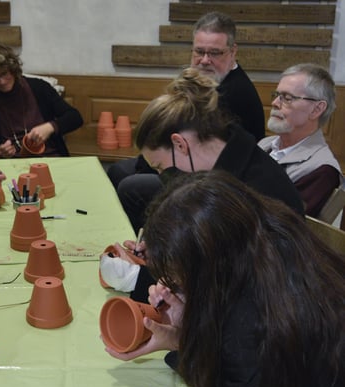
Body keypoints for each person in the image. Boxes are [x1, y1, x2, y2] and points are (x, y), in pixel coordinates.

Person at [104, 170, 345, 387]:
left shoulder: (254, 322)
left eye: (179, 280)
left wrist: (189, 339)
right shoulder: (274, 243)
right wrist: (182, 336)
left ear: (207, 268)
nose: (170, 287)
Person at [99, 67, 303, 303]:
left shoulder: (246, 192)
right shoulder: (230, 152)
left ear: (180, 144)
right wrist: (160, 253)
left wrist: (139, 276)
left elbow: (218, 279)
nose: (164, 175)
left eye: (160, 167)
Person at [107, 11, 265, 191]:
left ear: (233, 51)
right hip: (188, 158)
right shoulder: (210, 81)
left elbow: (194, 148)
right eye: (199, 51)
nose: (205, 60)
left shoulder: (234, 93)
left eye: (214, 53)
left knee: (130, 183)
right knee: (119, 171)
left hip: (220, 182)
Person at [259, 63, 343, 217]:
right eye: (277, 95)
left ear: (316, 109)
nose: (275, 103)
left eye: (287, 98)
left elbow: (283, 226)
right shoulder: (265, 144)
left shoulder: (322, 170)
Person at [0, 40, 83, 157]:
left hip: (51, 157)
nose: (2, 81)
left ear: (13, 68)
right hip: (12, 163)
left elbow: (75, 117)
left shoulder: (39, 88)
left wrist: (50, 127)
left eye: (4, 73)